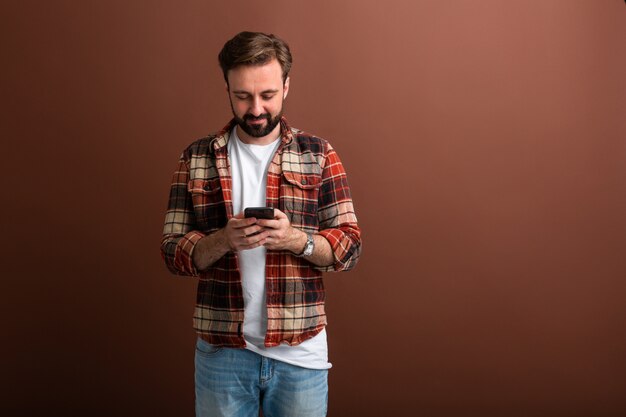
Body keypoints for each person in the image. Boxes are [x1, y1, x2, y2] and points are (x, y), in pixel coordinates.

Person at [160, 31, 361, 417]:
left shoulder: (318, 154)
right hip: (222, 355)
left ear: (286, 85)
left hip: (301, 355)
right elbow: (171, 251)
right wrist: (223, 240)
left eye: (267, 95)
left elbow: (350, 247)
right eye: (242, 96)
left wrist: (295, 239)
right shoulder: (196, 157)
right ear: (227, 88)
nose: (256, 108)